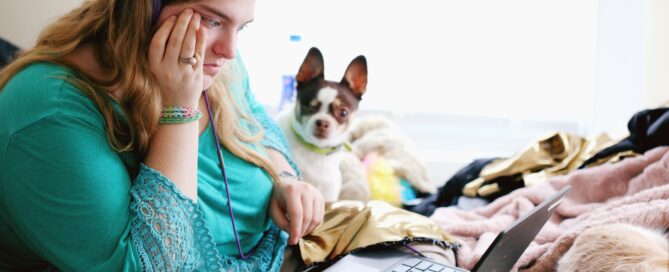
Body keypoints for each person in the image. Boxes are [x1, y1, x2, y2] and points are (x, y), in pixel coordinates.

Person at [0, 0, 325, 271]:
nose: (229, 50)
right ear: (146, 7)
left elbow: (256, 120)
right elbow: (155, 265)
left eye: (241, 27)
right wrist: (179, 108)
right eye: (213, 20)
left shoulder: (213, 57)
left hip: (283, 251)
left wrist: (283, 178)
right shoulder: (49, 111)